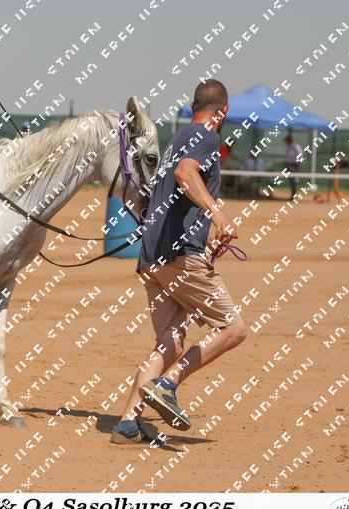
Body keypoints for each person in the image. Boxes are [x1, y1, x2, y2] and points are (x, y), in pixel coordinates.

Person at [111, 79, 248, 444]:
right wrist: (218, 215)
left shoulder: (176, 139)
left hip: (152, 258)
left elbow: (170, 193)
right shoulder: (207, 136)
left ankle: (127, 424)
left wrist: (205, 232)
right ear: (224, 112)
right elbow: (185, 173)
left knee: (169, 344)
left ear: (191, 107)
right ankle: (168, 384)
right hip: (179, 257)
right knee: (233, 328)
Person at [284, 134, 303, 199]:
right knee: (291, 180)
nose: (285, 143)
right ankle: (293, 195)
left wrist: (293, 159)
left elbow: (299, 155)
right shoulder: (289, 147)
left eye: (286, 141)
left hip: (294, 165)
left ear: (289, 141)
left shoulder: (295, 146)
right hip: (289, 164)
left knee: (294, 180)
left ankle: (294, 196)